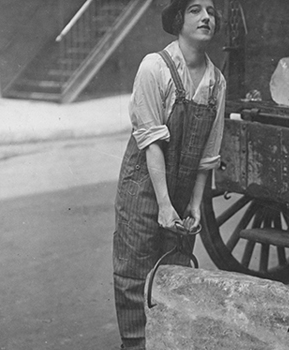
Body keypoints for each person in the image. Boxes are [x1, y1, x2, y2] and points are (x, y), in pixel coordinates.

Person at [111, 0, 225, 349]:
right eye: (195, 10)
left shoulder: (217, 82)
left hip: (181, 191)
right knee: (134, 276)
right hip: (144, 186)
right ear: (178, 20)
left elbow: (207, 155)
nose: (206, 17)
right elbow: (151, 141)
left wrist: (193, 204)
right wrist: (163, 204)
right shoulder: (154, 68)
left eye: (210, 10)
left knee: (173, 275)